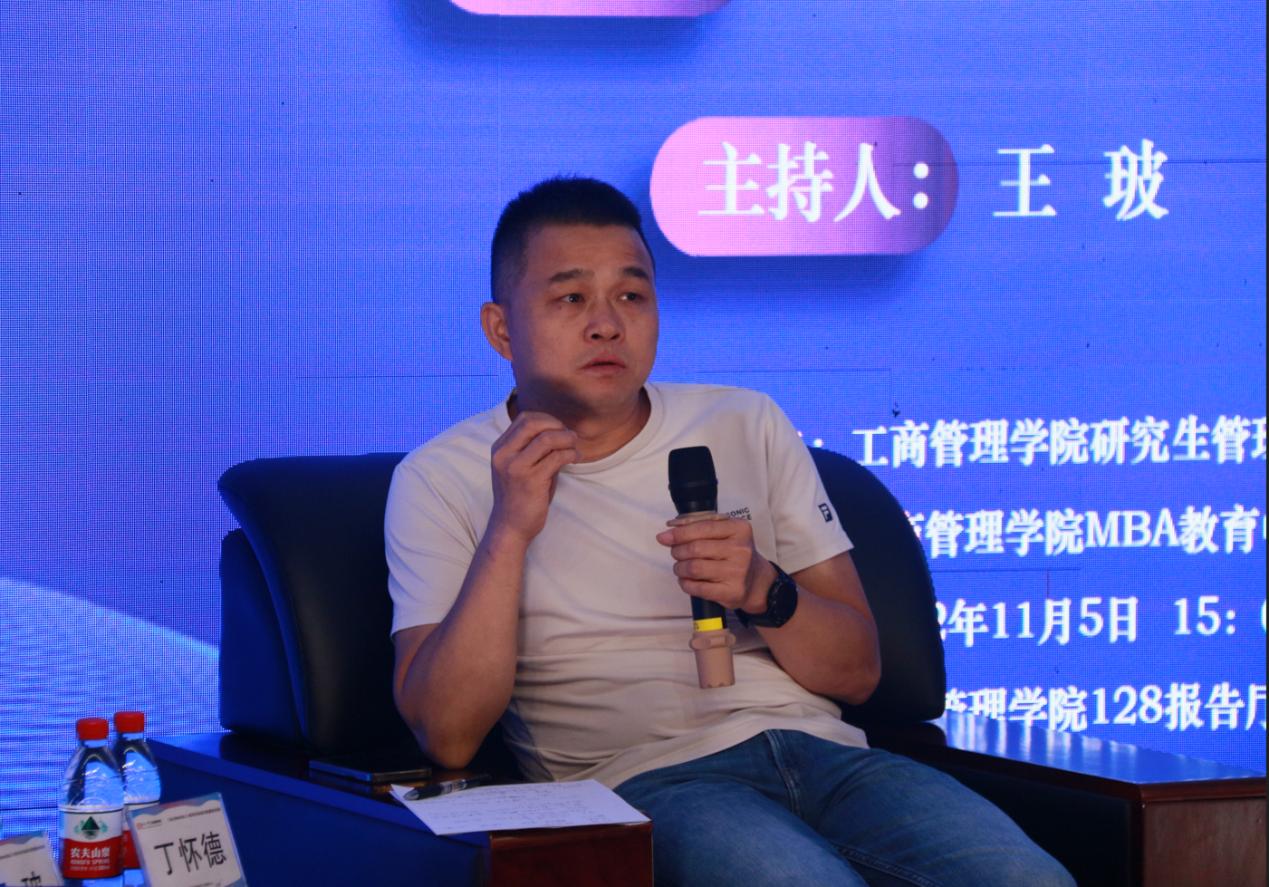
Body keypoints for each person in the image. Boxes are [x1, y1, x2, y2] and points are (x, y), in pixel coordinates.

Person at [386, 176, 1074, 886]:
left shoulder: (745, 420)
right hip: (646, 781)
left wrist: (763, 589)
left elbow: (859, 673)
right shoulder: (442, 477)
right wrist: (508, 529)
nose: (607, 325)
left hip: (827, 756)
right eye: (571, 298)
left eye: (632, 295)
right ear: (500, 329)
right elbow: (449, 735)